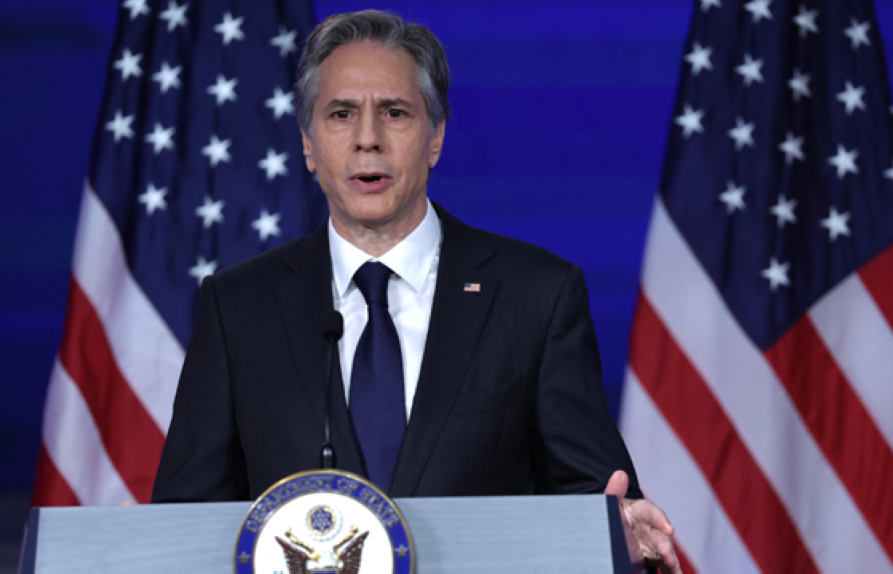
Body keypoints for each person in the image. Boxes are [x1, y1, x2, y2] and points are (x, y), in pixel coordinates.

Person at [152, 10, 679, 572]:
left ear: (436, 137)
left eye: (395, 112)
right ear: (307, 143)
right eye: (341, 114)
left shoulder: (537, 295)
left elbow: (598, 503)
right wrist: (149, 544)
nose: (368, 139)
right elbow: (190, 521)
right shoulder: (239, 308)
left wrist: (617, 536)